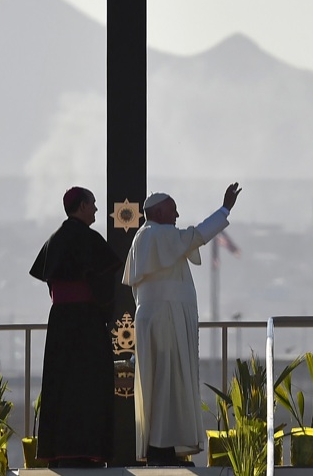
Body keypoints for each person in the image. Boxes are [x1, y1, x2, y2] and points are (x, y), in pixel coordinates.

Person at [123, 182, 241, 466]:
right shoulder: (157, 234)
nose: (177, 216)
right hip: (167, 320)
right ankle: (162, 448)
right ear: (159, 211)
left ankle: (163, 446)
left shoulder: (144, 238)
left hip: (157, 319)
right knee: (167, 382)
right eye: (173, 211)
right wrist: (224, 209)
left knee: (162, 383)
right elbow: (198, 235)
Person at [30, 187, 123, 468]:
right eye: (93, 204)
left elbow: (51, 282)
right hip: (87, 323)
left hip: (60, 322)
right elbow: (105, 286)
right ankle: (88, 451)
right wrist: (105, 311)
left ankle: (60, 453)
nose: (96, 210)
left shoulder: (54, 240)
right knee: (89, 386)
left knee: (61, 386)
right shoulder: (90, 240)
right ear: (82, 206)